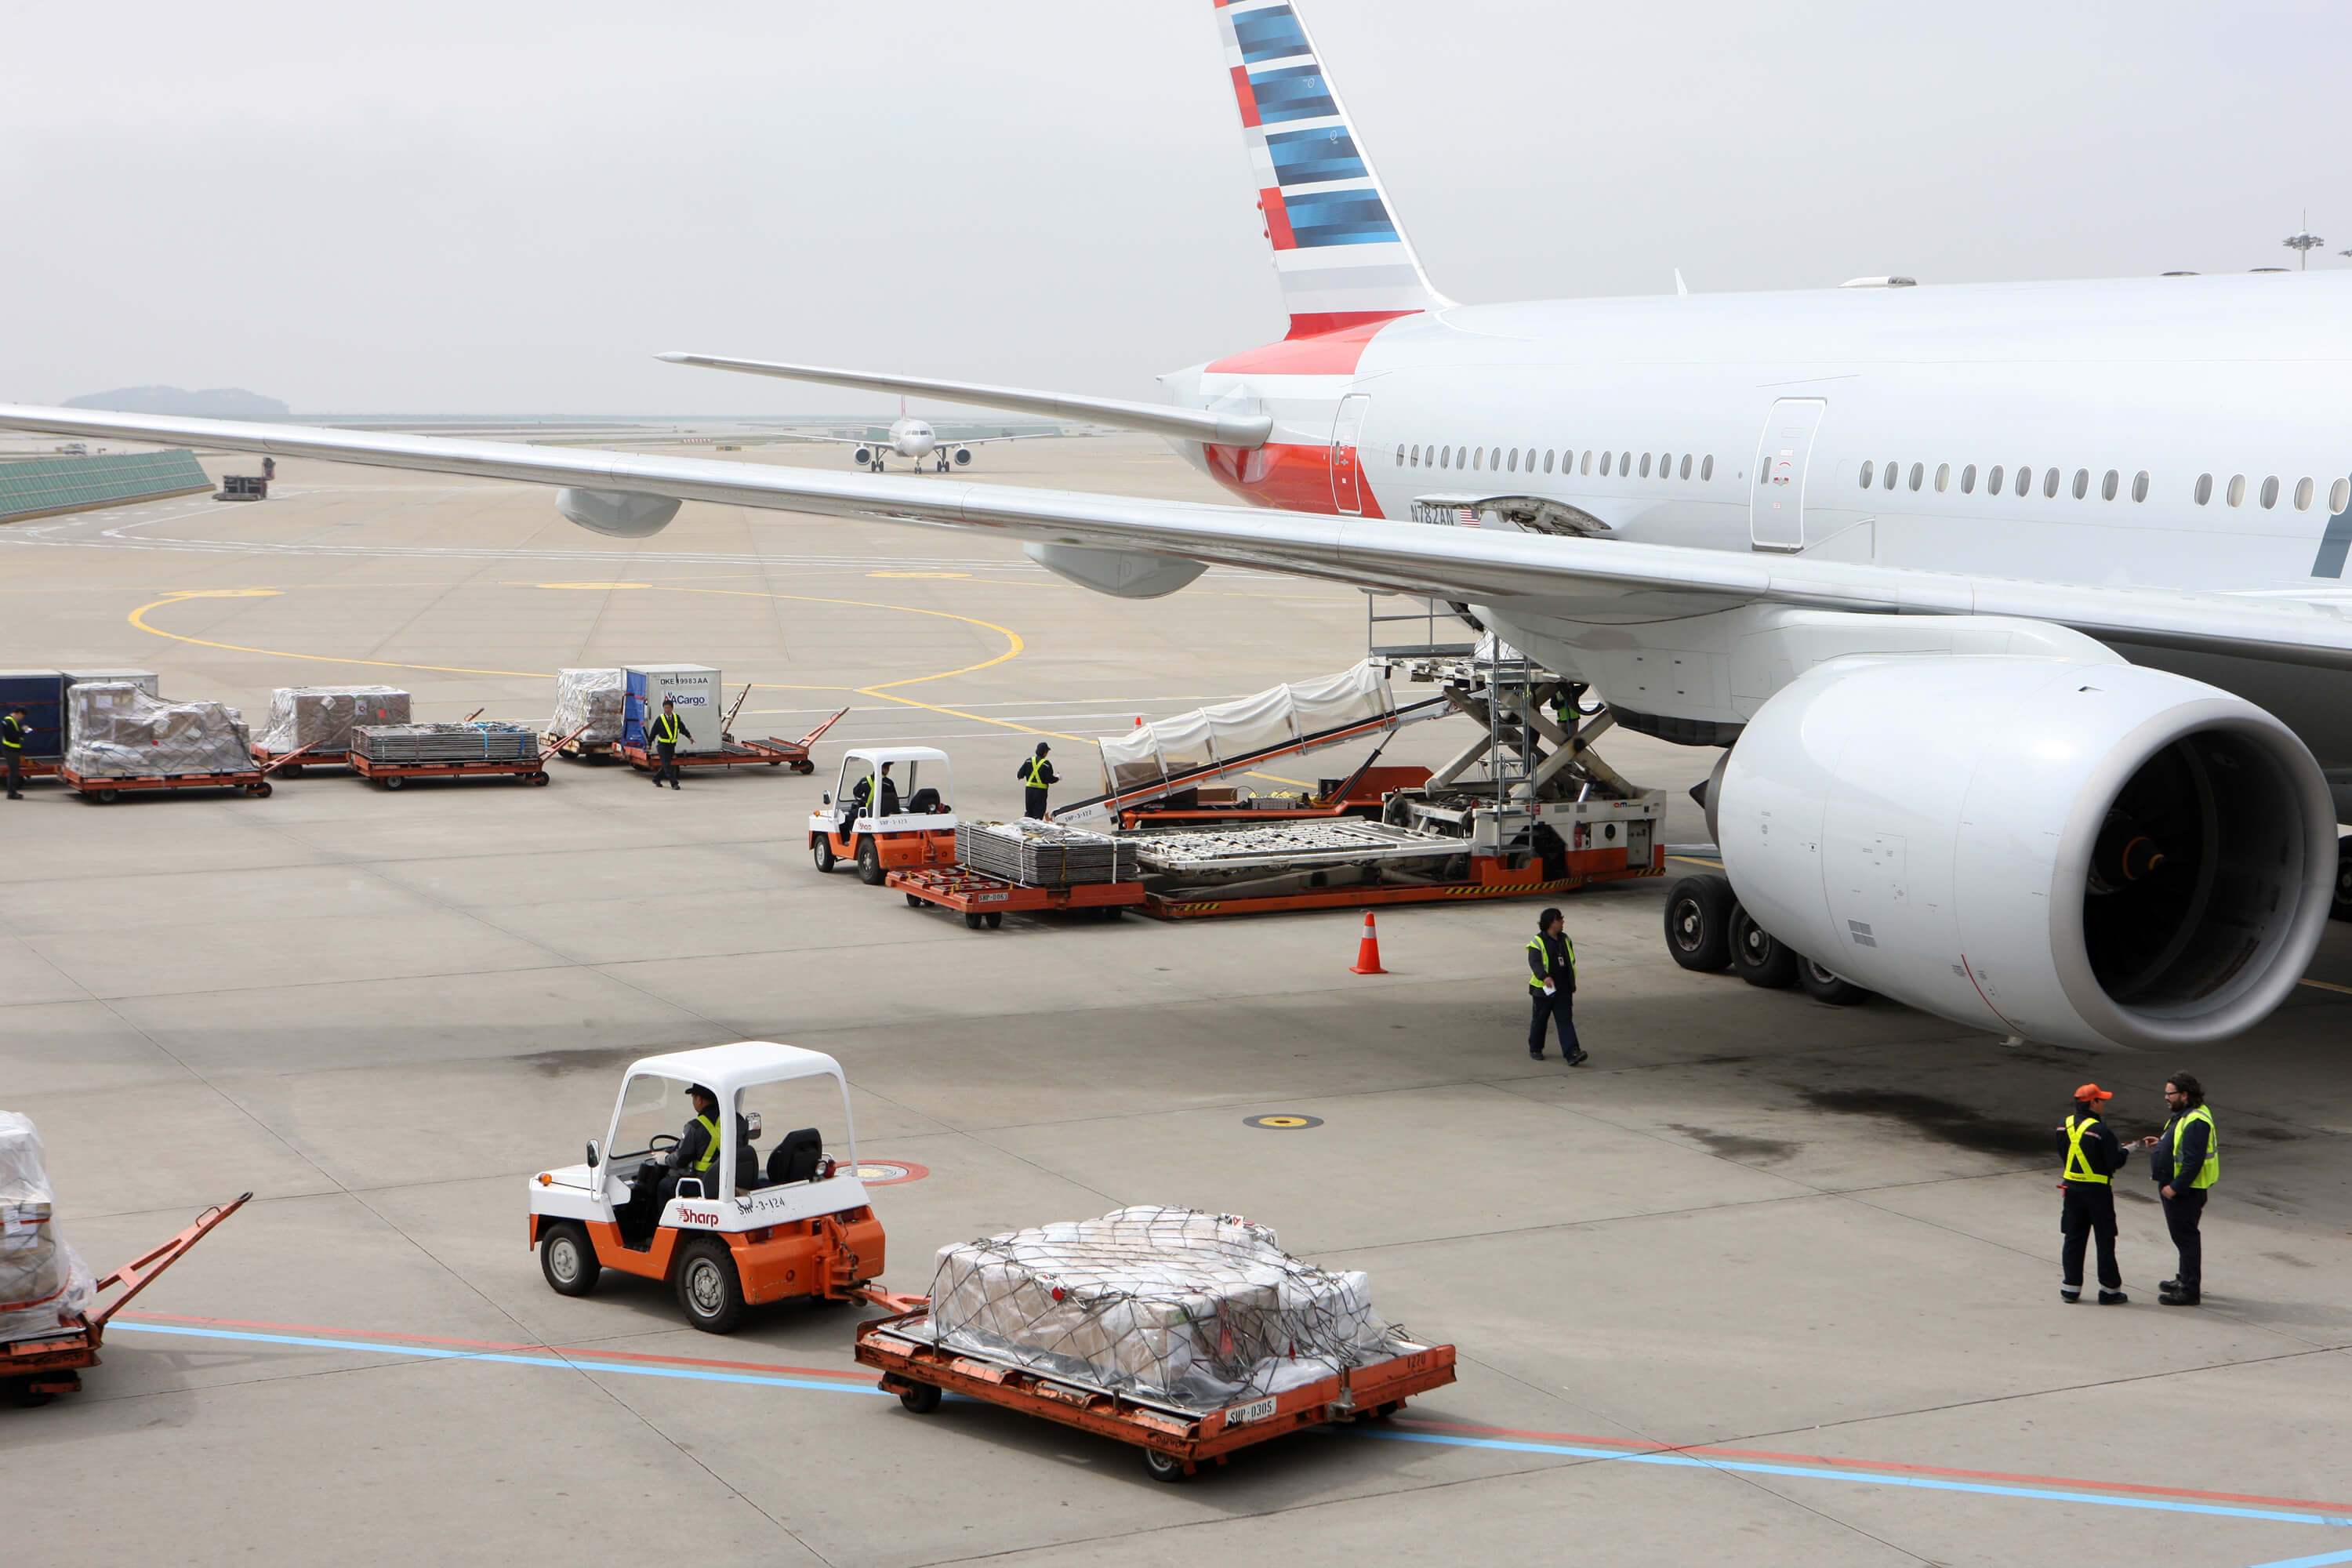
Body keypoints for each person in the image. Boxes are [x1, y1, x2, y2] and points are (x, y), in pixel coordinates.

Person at [2137, 1073, 2218, 1305]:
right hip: (2182, 1188)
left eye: (2170, 1093)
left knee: (2187, 1239)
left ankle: (2190, 1290)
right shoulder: (2186, 1115)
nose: (2166, 1098)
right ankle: (2184, 1278)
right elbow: (2180, 1146)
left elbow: (2193, 1161)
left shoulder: (2196, 1122)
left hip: (2186, 1191)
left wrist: (2175, 1187)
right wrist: (2161, 1144)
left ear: (2184, 1094)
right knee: (2183, 1238)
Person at [2055, 1083, 2130, 1305]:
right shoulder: (2101, 1131)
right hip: (2098, 1194)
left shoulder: (2063, 1126)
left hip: (2072, 1191)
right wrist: (2126, 1151)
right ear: (2093, 1103)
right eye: (2101, 1100)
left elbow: (2064, 1154)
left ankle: (2070, 1288)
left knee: (2074, 1238)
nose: (2104, 1104)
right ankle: (2109, 1290)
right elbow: (2113, 1162)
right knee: (2105, 1240)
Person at [1526, 906, 1585, 1064]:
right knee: (1540, 1020)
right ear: (1552, 922)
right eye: (1560, 919)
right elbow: (1535, 963)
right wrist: (1544, 977)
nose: (1563, 921)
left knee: (1565, 1020)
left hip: (1563, 989)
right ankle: (1535, 1048)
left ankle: (1572, 1052)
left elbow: (1570, 963)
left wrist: (1571, 984)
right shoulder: (1537, 942)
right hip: (1543, 990)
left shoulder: (1565, 939)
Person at [649, 695, 691, 789]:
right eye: (665, 708)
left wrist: (689, 737)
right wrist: (649, 742)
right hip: (662, 746)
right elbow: (653, 731)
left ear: (672, 708)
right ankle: (674, 783)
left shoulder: (676, 718)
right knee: (668, 766)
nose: (667, 710)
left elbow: (682, 728)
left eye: (668, 708)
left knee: (666, 765)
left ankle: (656, 779)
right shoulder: (660, 719)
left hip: (671, 746)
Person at [1018, 742, 1058, 818]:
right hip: (1040, 792)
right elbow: (1050, 779)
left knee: (1029, 812)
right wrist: (1058, 778)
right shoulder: (1046, 764)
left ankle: (1026, 828)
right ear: (1045, 752)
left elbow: (1020, 775)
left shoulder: (1028, 761)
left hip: (1029, 791)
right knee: (1039, 813)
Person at [2, 703, 26, 800]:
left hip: (12, 750)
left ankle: (13, 792)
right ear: (19, 713)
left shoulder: (11, 721)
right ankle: (12, 793)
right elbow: (12, 736)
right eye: (22, 716)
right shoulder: (8, 721)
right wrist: (23, 731)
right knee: (13, 772)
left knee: (14, 772)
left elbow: (14, 734)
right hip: (10, 750)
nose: (22, 718)